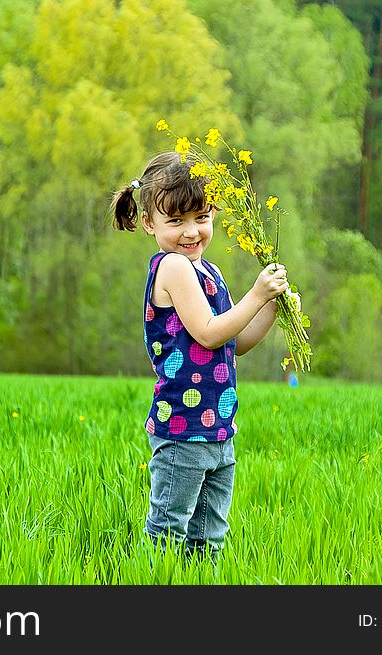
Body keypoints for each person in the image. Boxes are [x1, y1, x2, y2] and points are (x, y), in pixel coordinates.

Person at [110, 150, 291, 562]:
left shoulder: (208, 271)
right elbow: (209, 335)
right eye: (176, 221)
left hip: (219, 429)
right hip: (182, 429)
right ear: (148, 223)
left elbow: (234, 342)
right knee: (167, 533)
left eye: (201, 217)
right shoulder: (173, 267)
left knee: (208, 541)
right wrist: (256, 294)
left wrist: (271, 309)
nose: (191, 232)